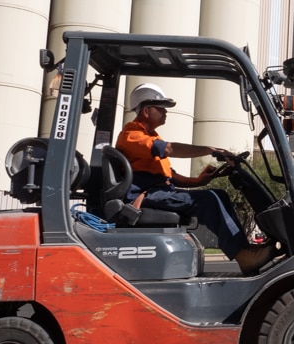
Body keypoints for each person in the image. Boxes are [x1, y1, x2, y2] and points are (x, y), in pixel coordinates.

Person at [116, 83, 275, 275]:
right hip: (146, 196)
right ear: (147, 111)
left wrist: (199, 181)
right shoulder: (132, 134)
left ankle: (245, 250)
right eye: (161, 108)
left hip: (161, 191)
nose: (166, 112)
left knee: (219, 194)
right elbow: (168, 149)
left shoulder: (151, 136)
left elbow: (170, 177)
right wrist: (209, 150)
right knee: (208, 200)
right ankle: (242, 255)